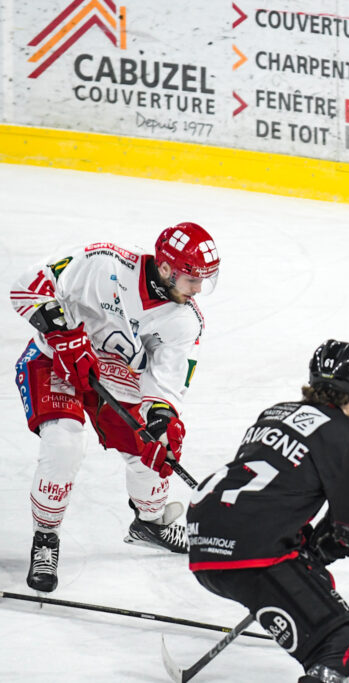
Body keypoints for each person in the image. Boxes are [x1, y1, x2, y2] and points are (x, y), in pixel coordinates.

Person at [10, 223, 220, 592]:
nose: (199, 289)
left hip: (116, 377)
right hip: (55, 362)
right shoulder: (104, 262)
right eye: (193, 280)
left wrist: (162, 422)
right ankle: (46, 537)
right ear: (167, 269)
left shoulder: (184, 321)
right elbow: (26, 287)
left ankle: (150, 522)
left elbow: (164, 387)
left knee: (150, 451)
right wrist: (62, 332)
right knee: (65, 444)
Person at [188, 340, 349, 683]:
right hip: (251, 556)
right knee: (340, 649)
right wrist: (314, 554)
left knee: (306, 571)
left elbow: (272, 490)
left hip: (202, 543)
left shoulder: (275, 412)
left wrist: (305, 557)